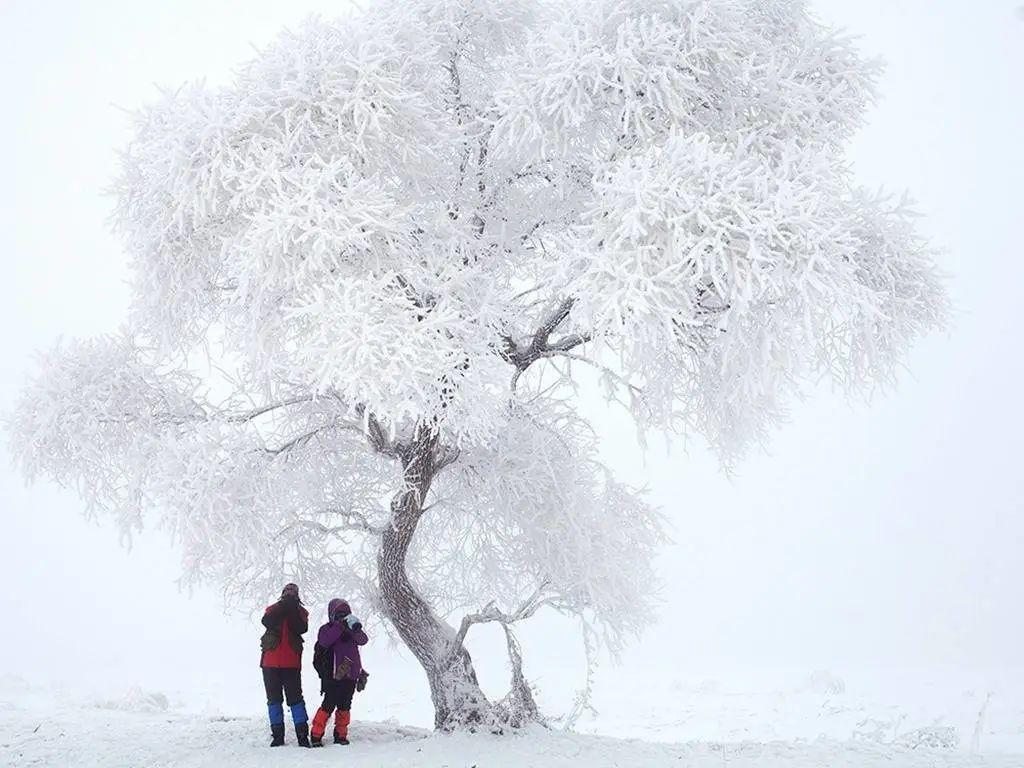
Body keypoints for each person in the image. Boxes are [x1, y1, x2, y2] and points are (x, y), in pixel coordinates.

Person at [310, 598, 368, 746]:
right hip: (333, 674)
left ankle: (341, 735)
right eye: (339, 614)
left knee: (345, 705)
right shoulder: (327, 629)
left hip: (350, 674)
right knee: (328, 704)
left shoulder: (351, 631)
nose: (342, 617)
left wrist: (354, 627)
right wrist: (339, 626)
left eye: (345, 614)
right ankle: (316, 734)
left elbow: (363, 640)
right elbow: (325, 641)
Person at [259, 582, 310, 747]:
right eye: (287, 592)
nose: (289, 594)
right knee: (274, 700)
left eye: (292, 592)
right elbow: (267, 621)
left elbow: (301, 628)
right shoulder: (274, 608)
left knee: (294, 699)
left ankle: (301, 736)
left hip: (289, 664)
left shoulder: (301, 612)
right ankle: (278, 736)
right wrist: (284, 606)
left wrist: (291, 608)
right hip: (272, 663)